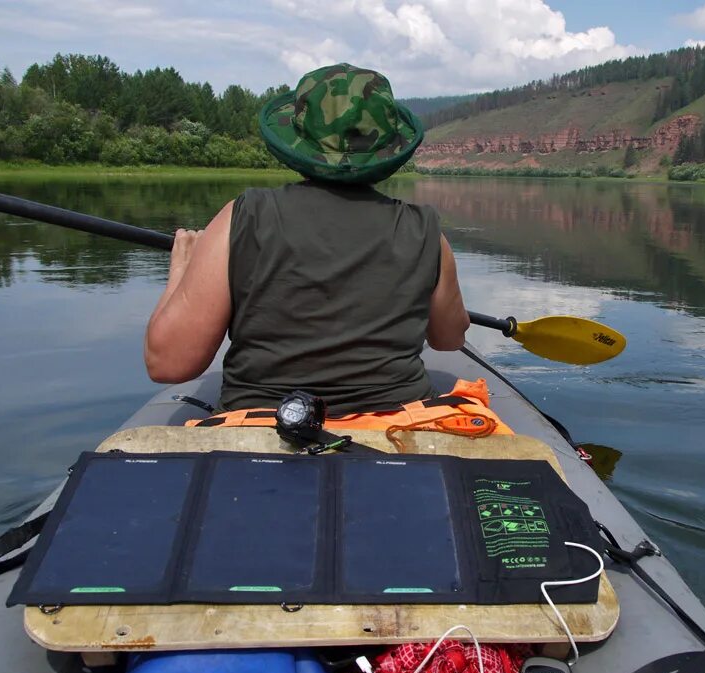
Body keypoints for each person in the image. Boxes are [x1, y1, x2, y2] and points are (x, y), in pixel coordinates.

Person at [144, 63, 470, 416]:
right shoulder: (425, 231)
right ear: (388, 151)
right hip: (394, 428)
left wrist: (181, 269)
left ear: (297, 142)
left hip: (260, 428)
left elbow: (169, 364)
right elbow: (450, 339)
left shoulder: (242, 216)